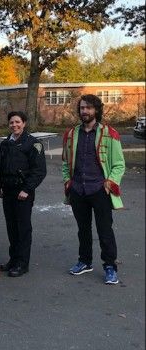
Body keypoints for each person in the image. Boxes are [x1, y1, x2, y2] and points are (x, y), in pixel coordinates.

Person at [63, 94, 125, 285]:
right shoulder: (72, 134)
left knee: (105, 230)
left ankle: (109, 267)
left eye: (89, 108)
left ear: (96, 110)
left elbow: (119, 164)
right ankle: (84, 261)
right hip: (78, 190)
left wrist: (108, 184)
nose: (85, 111)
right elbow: (66, 163)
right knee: (83, 230)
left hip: (99, 190)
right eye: (82, 108)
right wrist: (68, 182)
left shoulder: (110, 133)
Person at [0, 111, 46, 277]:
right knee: (11, 227)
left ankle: (22, 263)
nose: (14, 125)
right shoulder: (5, 144)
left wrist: (27, 189)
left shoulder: (33, 144)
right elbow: (0, 167)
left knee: (23, 228)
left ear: (24, 123)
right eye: (11, 122)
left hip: (23, 191)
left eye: (17, 122)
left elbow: (39, 171)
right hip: (8, 191)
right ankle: (13, 259)